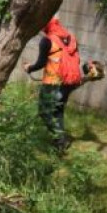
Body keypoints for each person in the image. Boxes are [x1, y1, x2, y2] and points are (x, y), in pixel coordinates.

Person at [23, 16, 86, 150]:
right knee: (58, 111)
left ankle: (60, 140)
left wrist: (29, 67)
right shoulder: (71, 38)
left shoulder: (47, 40)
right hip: (69, 82)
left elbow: (41, 63)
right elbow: (75, 59)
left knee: (44, 112)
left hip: (52, 84)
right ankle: (60, 141)